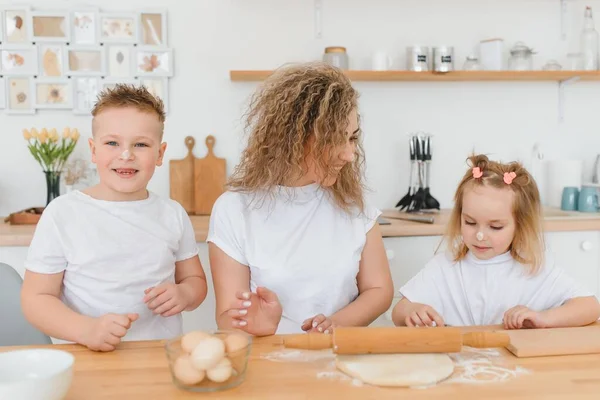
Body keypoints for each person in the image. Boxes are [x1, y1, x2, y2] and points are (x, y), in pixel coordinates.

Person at [208, 62, 394, 336]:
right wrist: (260, 325)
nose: (349, 154)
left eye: (352, 138)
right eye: (334, 140)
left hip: (340, 357)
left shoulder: (353, 203)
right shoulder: (235, 209)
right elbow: (228, 316)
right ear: (292, 139)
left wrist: (335, 326)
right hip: (269, 364)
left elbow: (379, 290)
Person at [21, 84, 208, 351]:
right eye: (112, 143)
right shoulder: (63, 213)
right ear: (93, 150)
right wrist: (87, 330)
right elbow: (35, 299)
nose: (126, 154)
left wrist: (185, 294)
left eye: (141, 144)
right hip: (85, 356)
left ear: (160, 154)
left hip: (159, 356)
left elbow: (196, 281)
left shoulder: (172, 214)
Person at [392, 154, 600, 329]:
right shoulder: (445, 266)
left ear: (520, 225)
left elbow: (590, 306)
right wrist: (412, 312)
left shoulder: (534, 267)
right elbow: (399, 311)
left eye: (495, 227)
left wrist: (543, 318)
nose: (480, 235)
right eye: (470, 222)